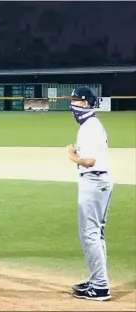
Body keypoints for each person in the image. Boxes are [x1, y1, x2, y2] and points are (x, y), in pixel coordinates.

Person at [66, 86, 112, 301]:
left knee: (90, 235)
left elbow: (90, 162)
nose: (72, 105)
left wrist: (72, 156)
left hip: (94, 181)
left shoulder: (90, 127)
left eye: (76, 101)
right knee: (95, 234)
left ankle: (100, 287)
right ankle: (96, 280)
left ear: (86, 103)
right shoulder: (90, 125)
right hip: (97, 182)